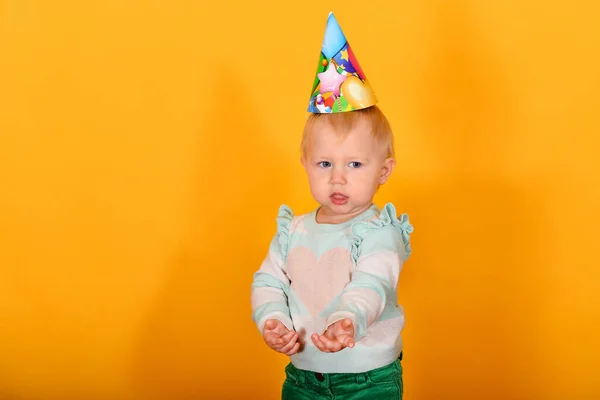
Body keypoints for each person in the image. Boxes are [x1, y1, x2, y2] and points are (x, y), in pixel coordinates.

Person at [251, 12, 413, 400]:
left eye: (355, 165)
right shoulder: (293, 231)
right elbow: (268, 281)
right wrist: (271, 319)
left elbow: (371, 283)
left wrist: (348, 319)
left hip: (368, 378)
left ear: (384, 170)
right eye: (325, 164)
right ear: (305, 164)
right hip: (303, 378)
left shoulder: (378, 231)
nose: (337, 178)